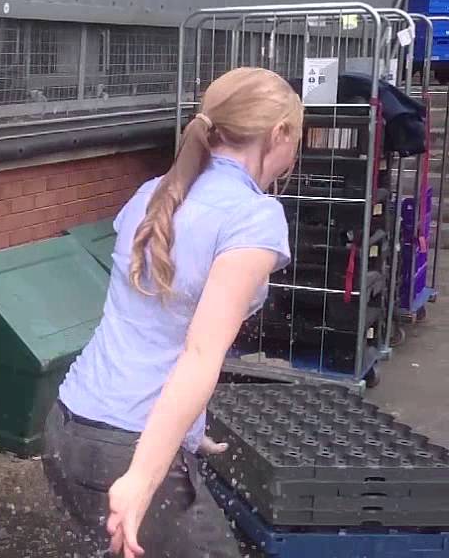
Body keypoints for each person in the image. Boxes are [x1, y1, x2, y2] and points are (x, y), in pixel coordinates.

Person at [43, 67, 304, 558]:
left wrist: (188, 430)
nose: (294, 154)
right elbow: (199, 353)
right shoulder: (254, 217)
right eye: (297, 139)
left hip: (67, 427)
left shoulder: (154, 193)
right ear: (279, 134)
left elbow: (148, 325)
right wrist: (142, 477)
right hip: (124, 453)